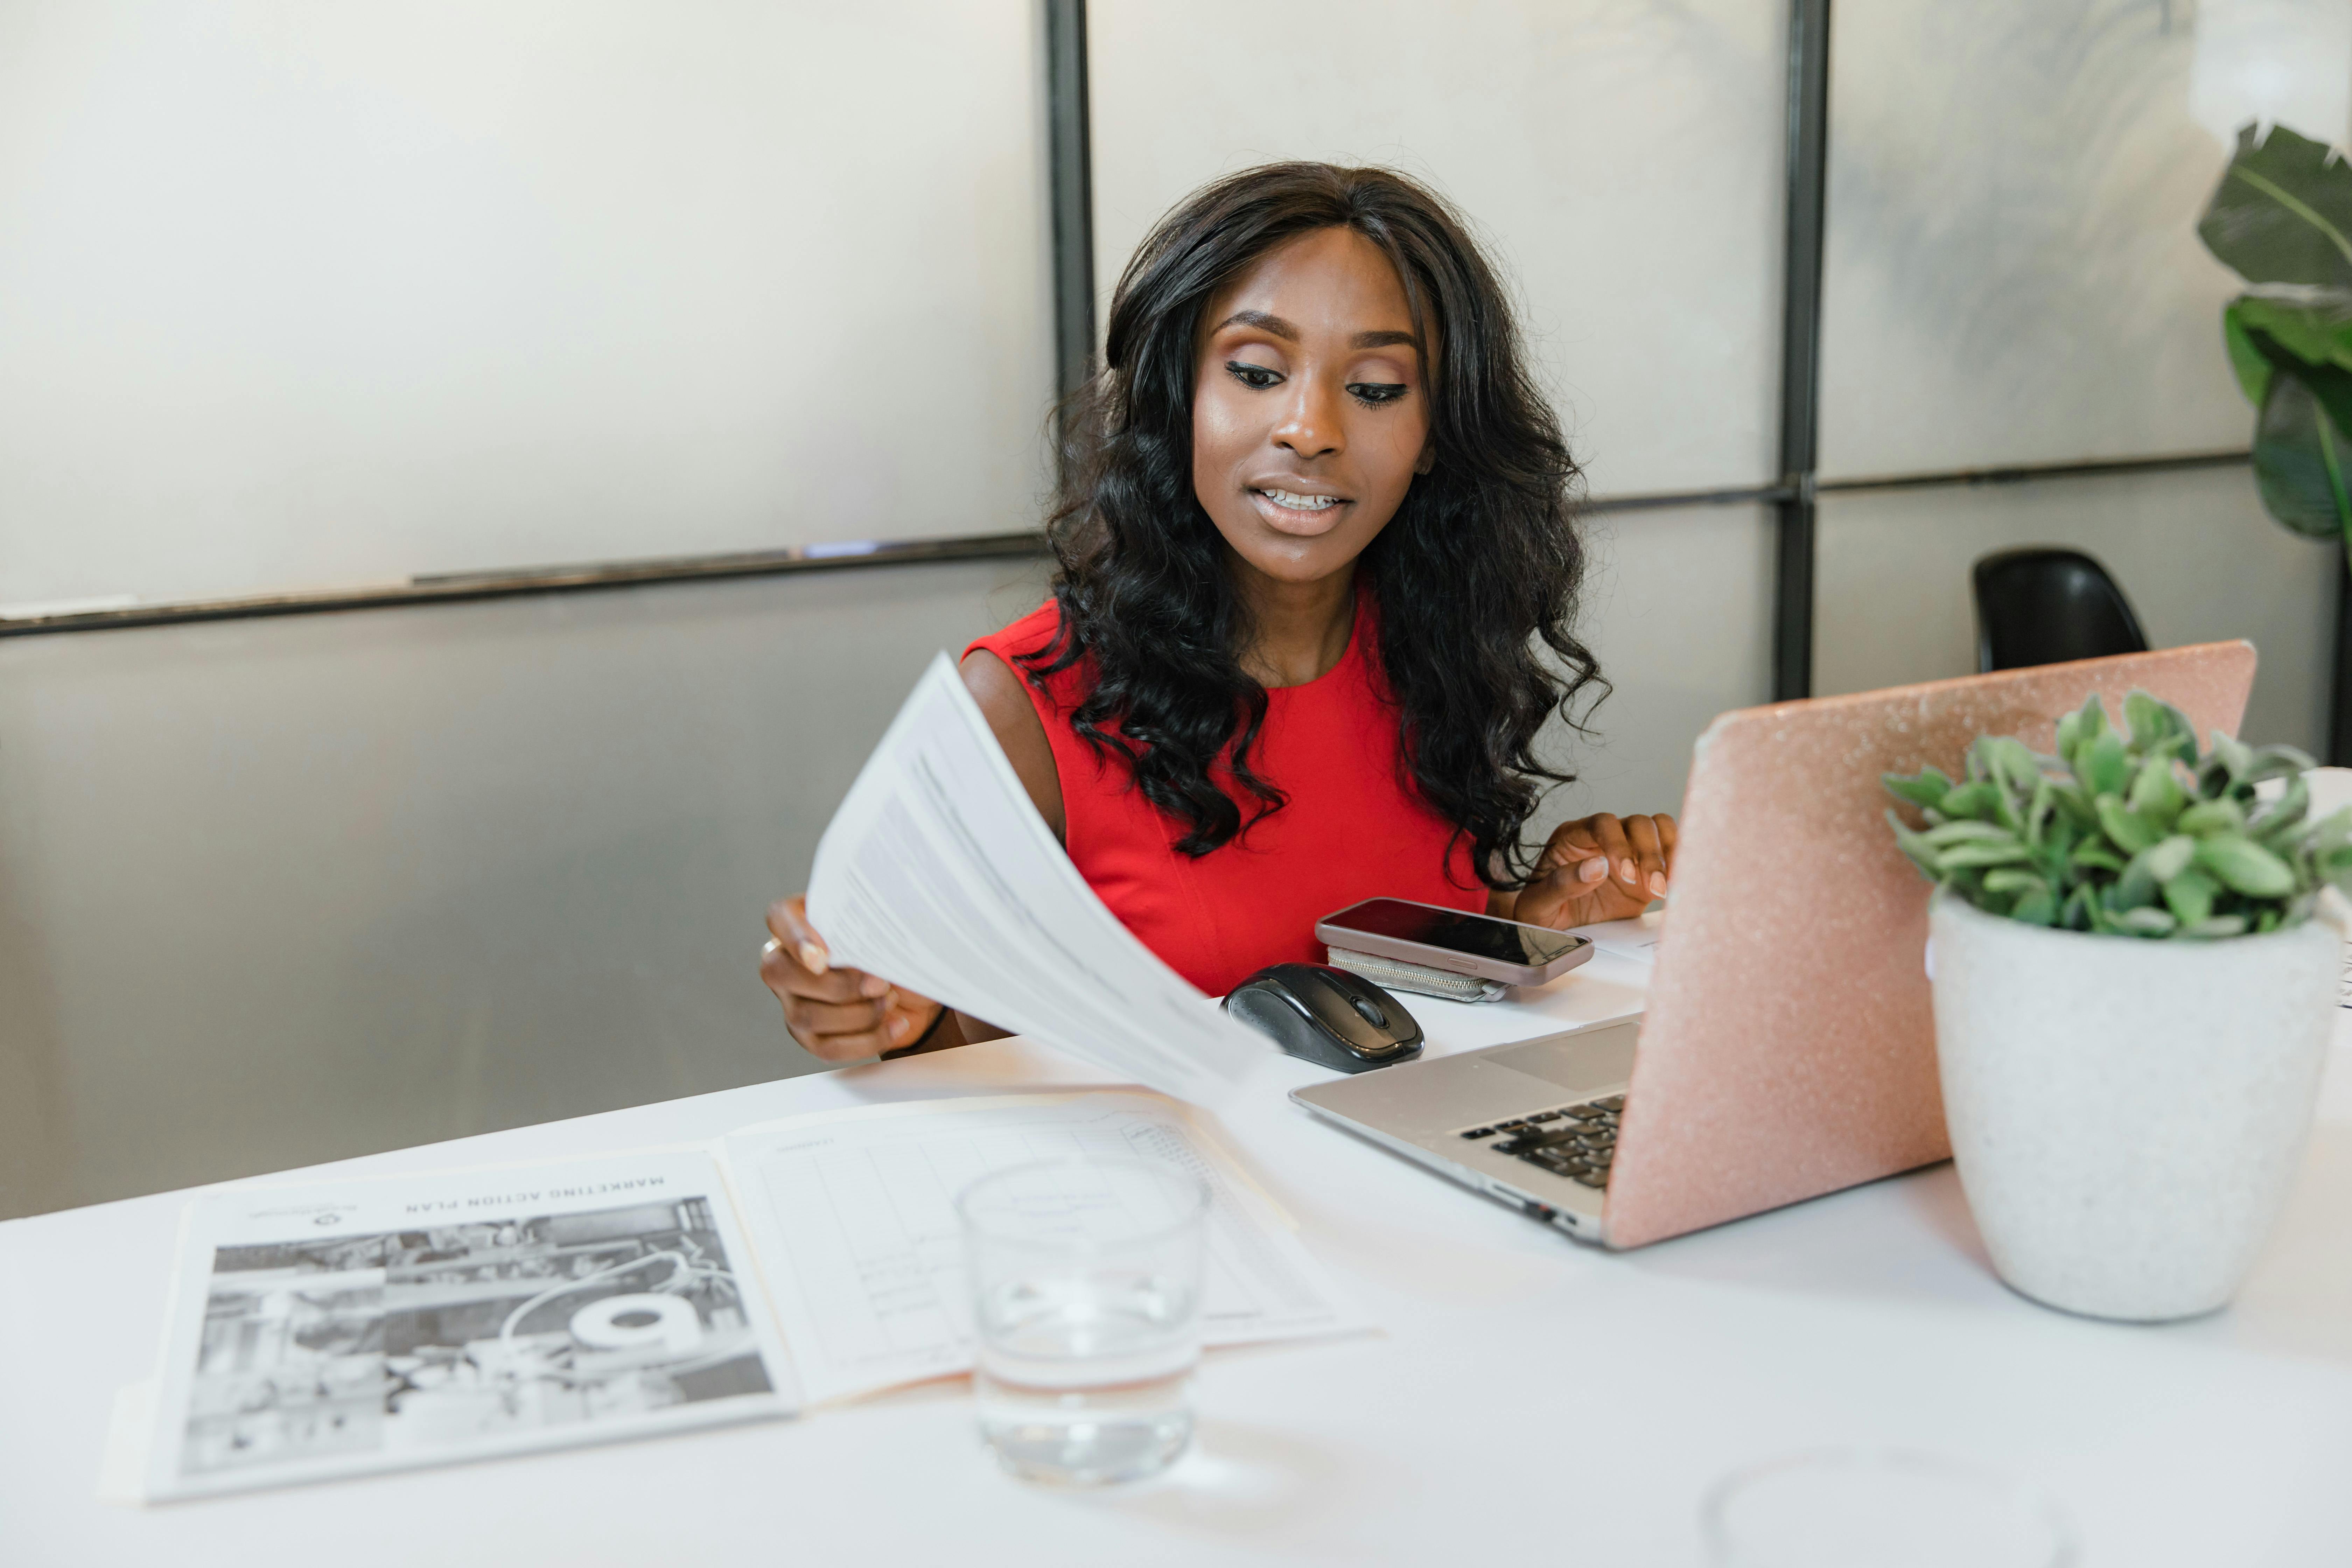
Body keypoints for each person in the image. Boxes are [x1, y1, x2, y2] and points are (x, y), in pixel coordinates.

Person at [761, 163, 1675, 1062]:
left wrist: (1530, 917)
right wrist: (874, 1010)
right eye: (1254, 370)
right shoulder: (1024, 700)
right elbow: (936, 1045)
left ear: (1434, 435)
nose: (1310, 429)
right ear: (1179, 401)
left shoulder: (1434, 661)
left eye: (1376, 389)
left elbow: (1375, 990)